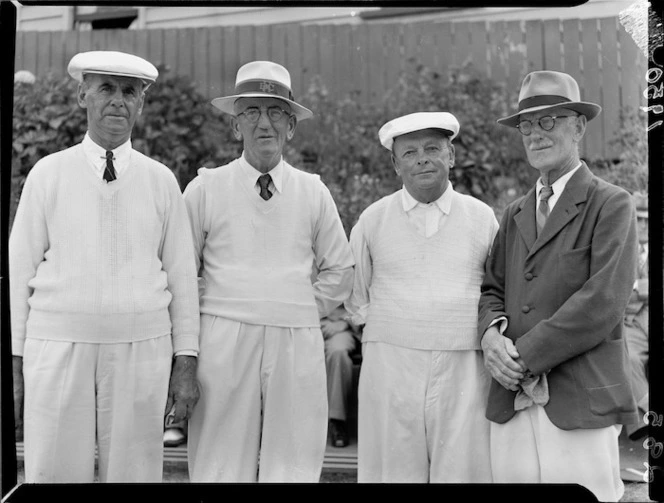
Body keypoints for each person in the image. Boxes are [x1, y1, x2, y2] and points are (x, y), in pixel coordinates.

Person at [9, 51, 200, 483]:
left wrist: (185, 360)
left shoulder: (161, 180)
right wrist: (15, 363)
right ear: (83, 96)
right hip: (57, 347)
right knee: (52, 472)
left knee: (134, 475)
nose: (118, 101)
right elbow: (18, 273)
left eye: (129, 92)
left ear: (141, 104)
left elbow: (183, 279)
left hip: (141, 349)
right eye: (106, 89)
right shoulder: (47, 174)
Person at [183, 60, 354, 482]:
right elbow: (181, 271)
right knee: (217, 459)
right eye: (252, 112)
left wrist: (297, 305)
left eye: (276, 112)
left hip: (295, 336)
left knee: (294, 456)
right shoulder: (205, 188)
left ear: (291, 126)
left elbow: (341, 268)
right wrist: (217, 307)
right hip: (224, 335)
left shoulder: (313, 191)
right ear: (236, 125)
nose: (265, 124)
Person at [478, 70, 639, 502]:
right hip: (511, 400)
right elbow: (491, 287)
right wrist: (491, 336)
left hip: (578, 399)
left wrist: (522, 357)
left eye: (548, 121)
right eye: (527, 124)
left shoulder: (612, 203)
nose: (535, 133)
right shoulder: (513, 213)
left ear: (579, 126)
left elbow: (602, 302)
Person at [345, 112, 499, 483]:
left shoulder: (482, 217)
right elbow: (356, 296)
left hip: (465, 365)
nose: (423, 158)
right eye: (410, 152)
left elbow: (497, 290)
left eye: (433, 148)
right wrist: (395, 332)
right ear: (395, 164)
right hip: (391, 365)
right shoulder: (373, 219)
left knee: (465, 472)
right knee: (391, 473)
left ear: (452, 156)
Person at [624, 191, 649, 441]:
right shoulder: (622, 248)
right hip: (630, 322)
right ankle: (648, 416)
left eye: (647, 220)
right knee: (627, 358)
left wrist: (638, 288)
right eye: (638, 219)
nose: (642, 226)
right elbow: (616, 287)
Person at [320, 304, 361, 448]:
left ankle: (337, 420)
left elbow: (361, 300)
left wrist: (343, 322)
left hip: (341, 326)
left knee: (338, 352)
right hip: (304, 323)